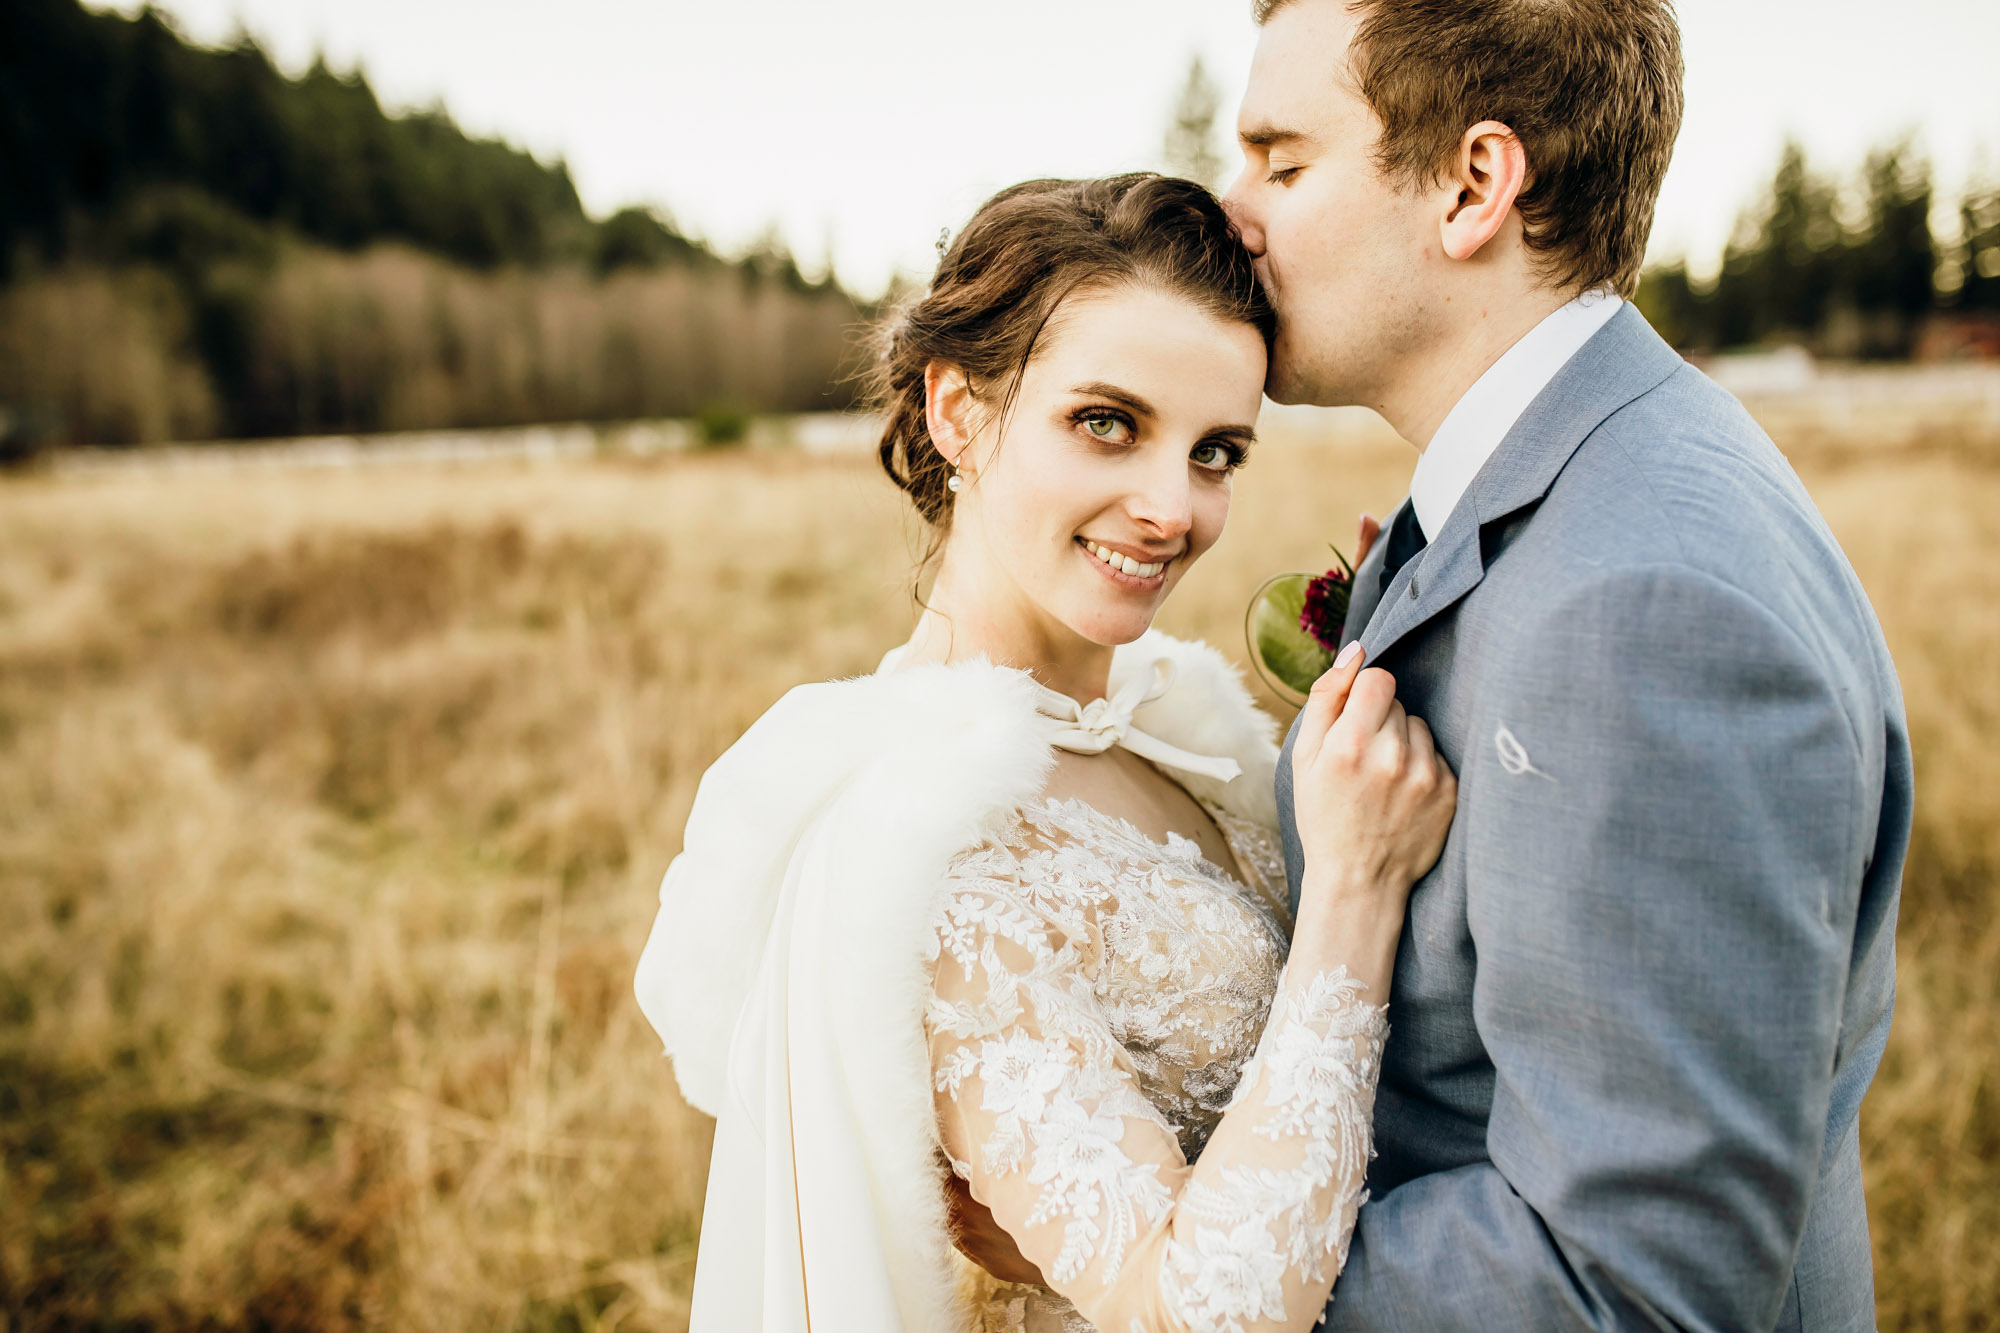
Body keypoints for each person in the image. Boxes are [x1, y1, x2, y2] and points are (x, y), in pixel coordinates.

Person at [634, 174, 1456, 1331]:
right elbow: (1199, 1309)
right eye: (1106, 424)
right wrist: (1356, 894)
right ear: (957, 412)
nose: (1170, 507)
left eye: (1215, 451)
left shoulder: (1183, 729)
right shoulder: (929, 849)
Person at [1218, 2, 1911, 1329]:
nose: (1232, 205)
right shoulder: (1579, 481)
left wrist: (1198, 1253)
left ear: (1475, 185)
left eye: (1283, 161)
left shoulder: (1649, 607)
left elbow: (1630, 1283)